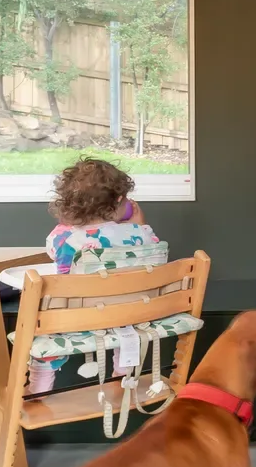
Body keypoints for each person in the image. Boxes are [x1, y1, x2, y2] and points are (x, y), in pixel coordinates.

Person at [31, 157, 164, 393]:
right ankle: (122, 373)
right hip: (126, 315)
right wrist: (140, 225)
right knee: (127, 317)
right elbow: (153, 250)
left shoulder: (64, 237)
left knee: (44, 325)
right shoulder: (137, 234)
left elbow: (53, 253)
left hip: (77, 317)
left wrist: (69, 225)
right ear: (120, 200)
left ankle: (39, 388)